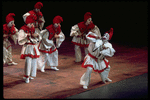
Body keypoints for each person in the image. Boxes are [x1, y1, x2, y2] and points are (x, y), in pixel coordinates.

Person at [18, 14, 41, 83]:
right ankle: (26, 76)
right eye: (31, 23)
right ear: (27, 23)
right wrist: (29, 35)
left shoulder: (33, 29)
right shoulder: (23, 29)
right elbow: (20, 38)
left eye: (32, 23)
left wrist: (36, 36)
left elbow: (38, 37)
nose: (32, 25)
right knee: (28, 62)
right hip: (28, 47)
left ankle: (31, 75)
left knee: (34, 62)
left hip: (33, 47)